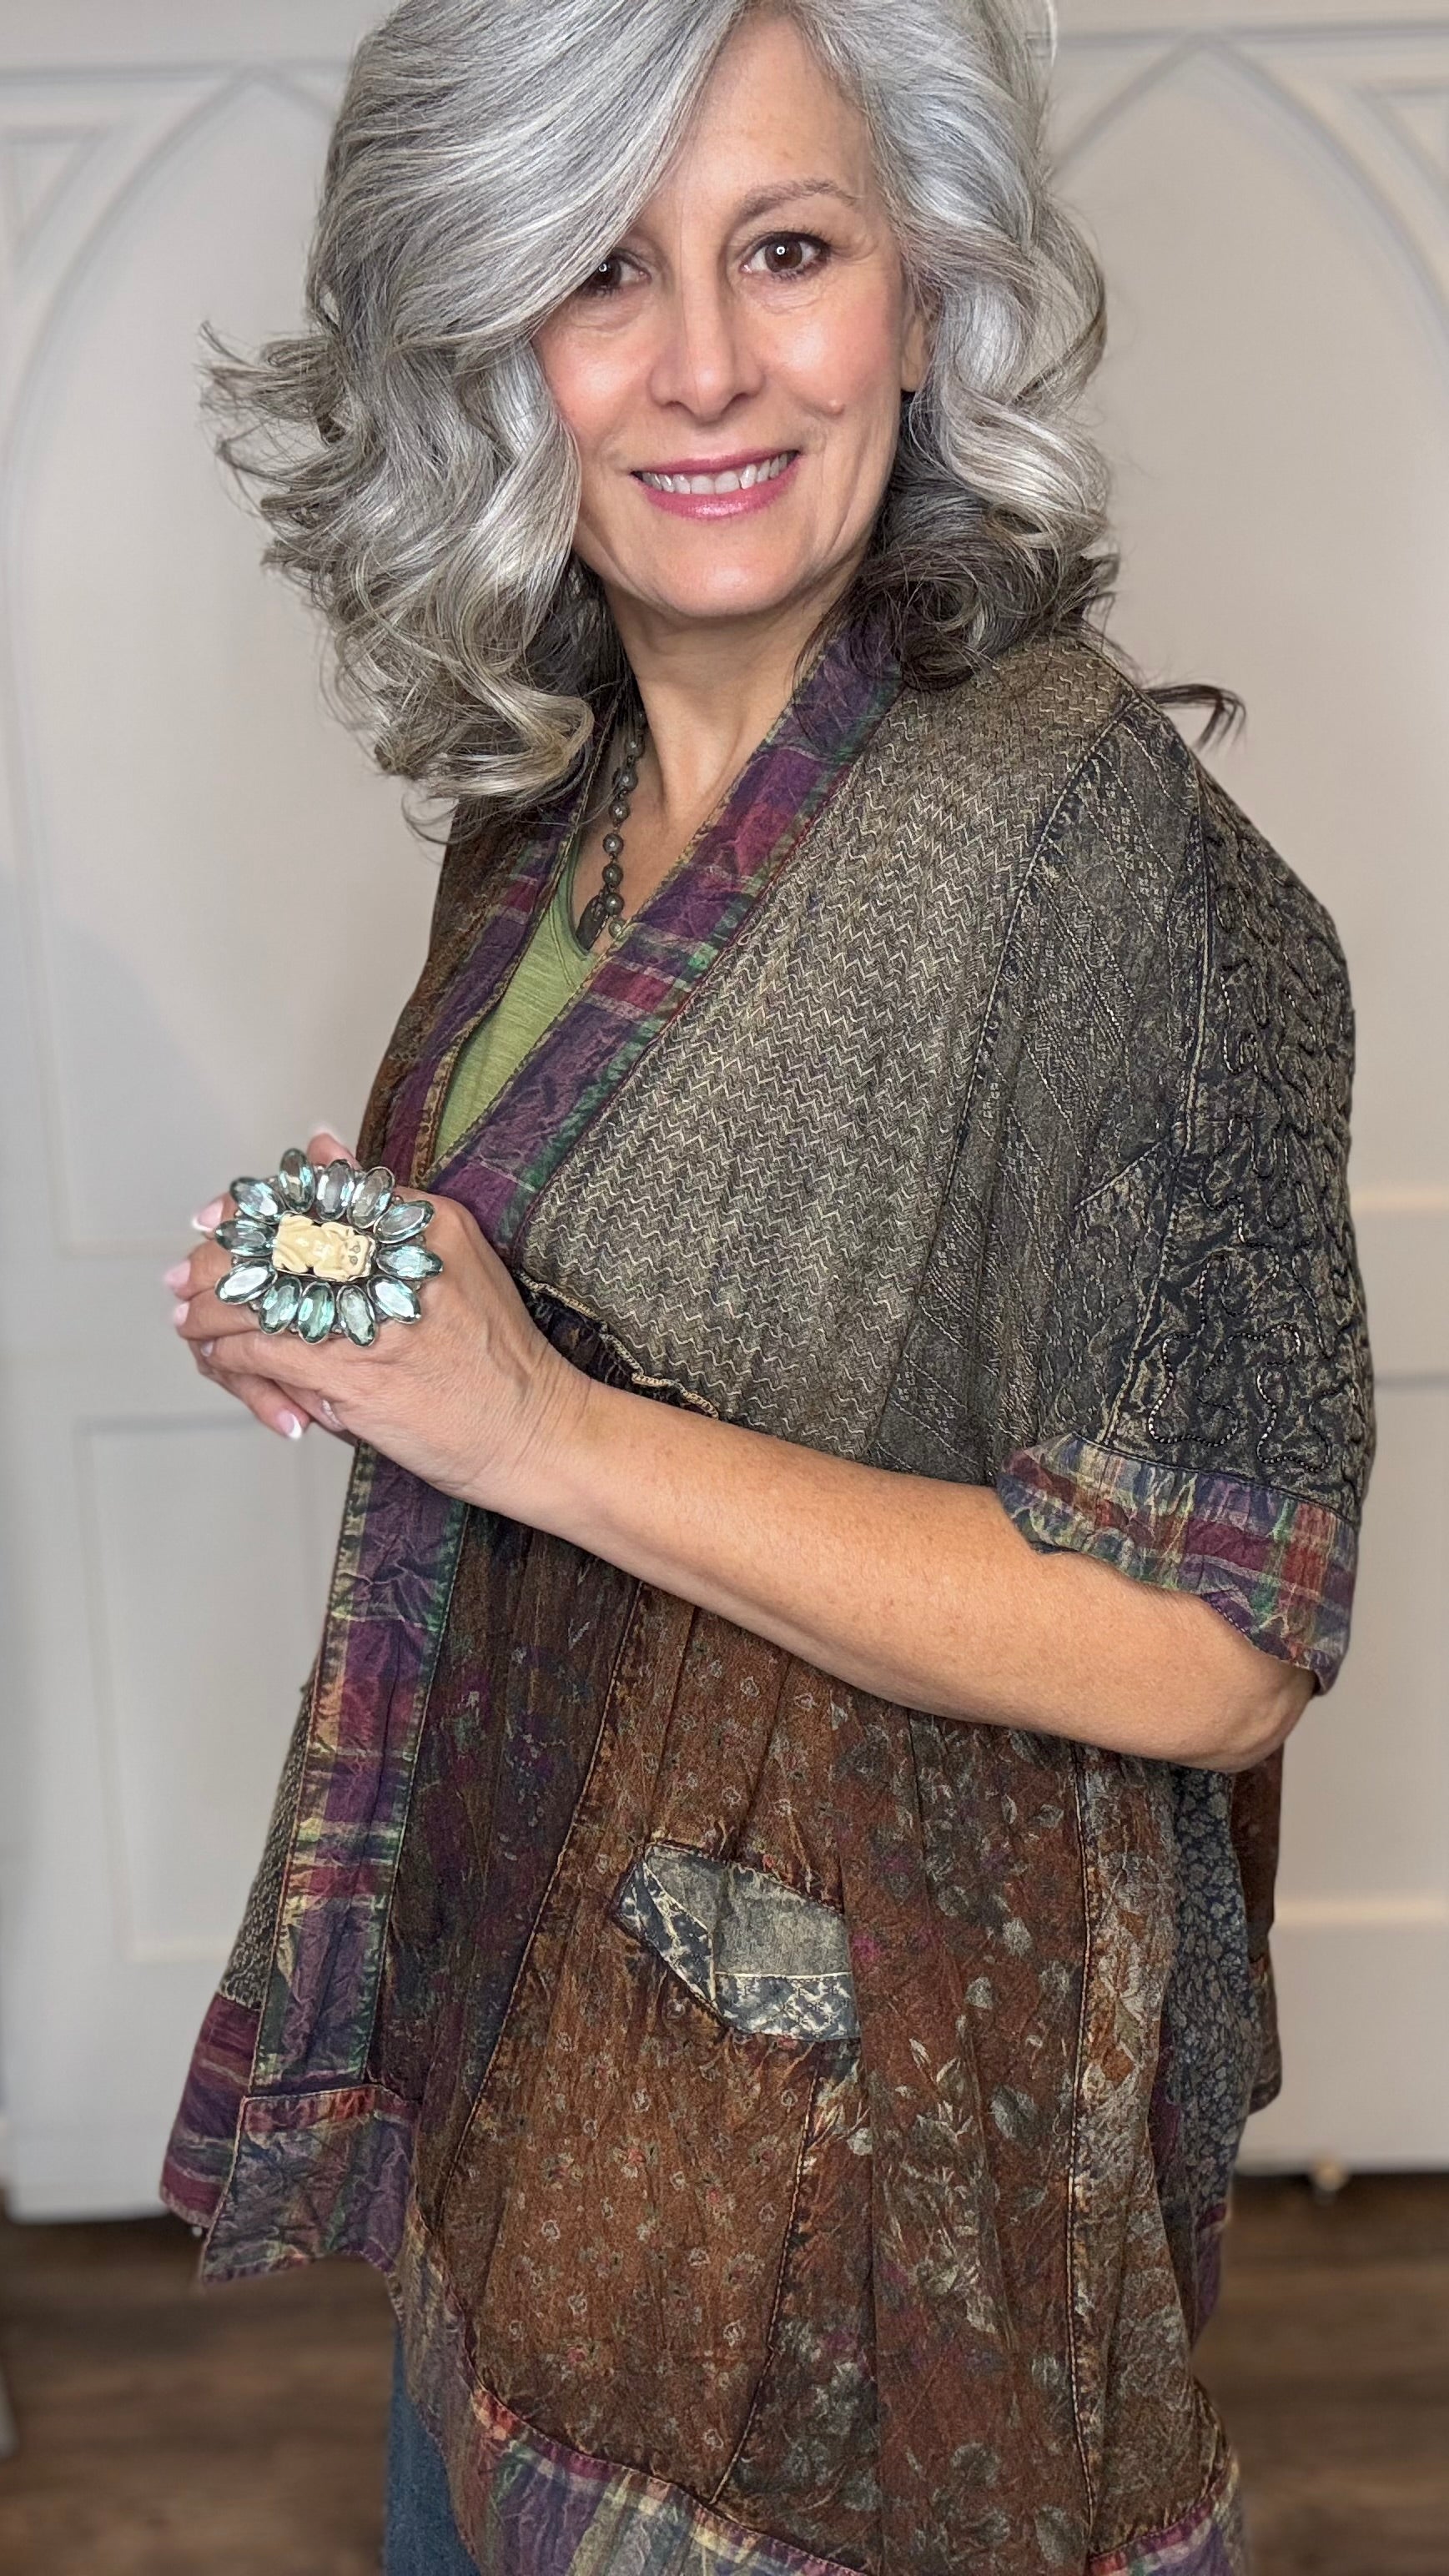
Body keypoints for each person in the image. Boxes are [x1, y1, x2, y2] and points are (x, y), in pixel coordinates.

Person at [161, 1, 1374, 2569]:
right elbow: (576, 1308)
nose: (702, 361)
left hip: (864, 2269)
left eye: (788, 250)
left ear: (922, 302)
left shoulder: (1097, 870)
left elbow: (1213, 1637)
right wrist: (386, 1322)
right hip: (543, 2140)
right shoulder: (555, 804)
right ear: (487, 335)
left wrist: (528, 1425)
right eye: (602, 269)